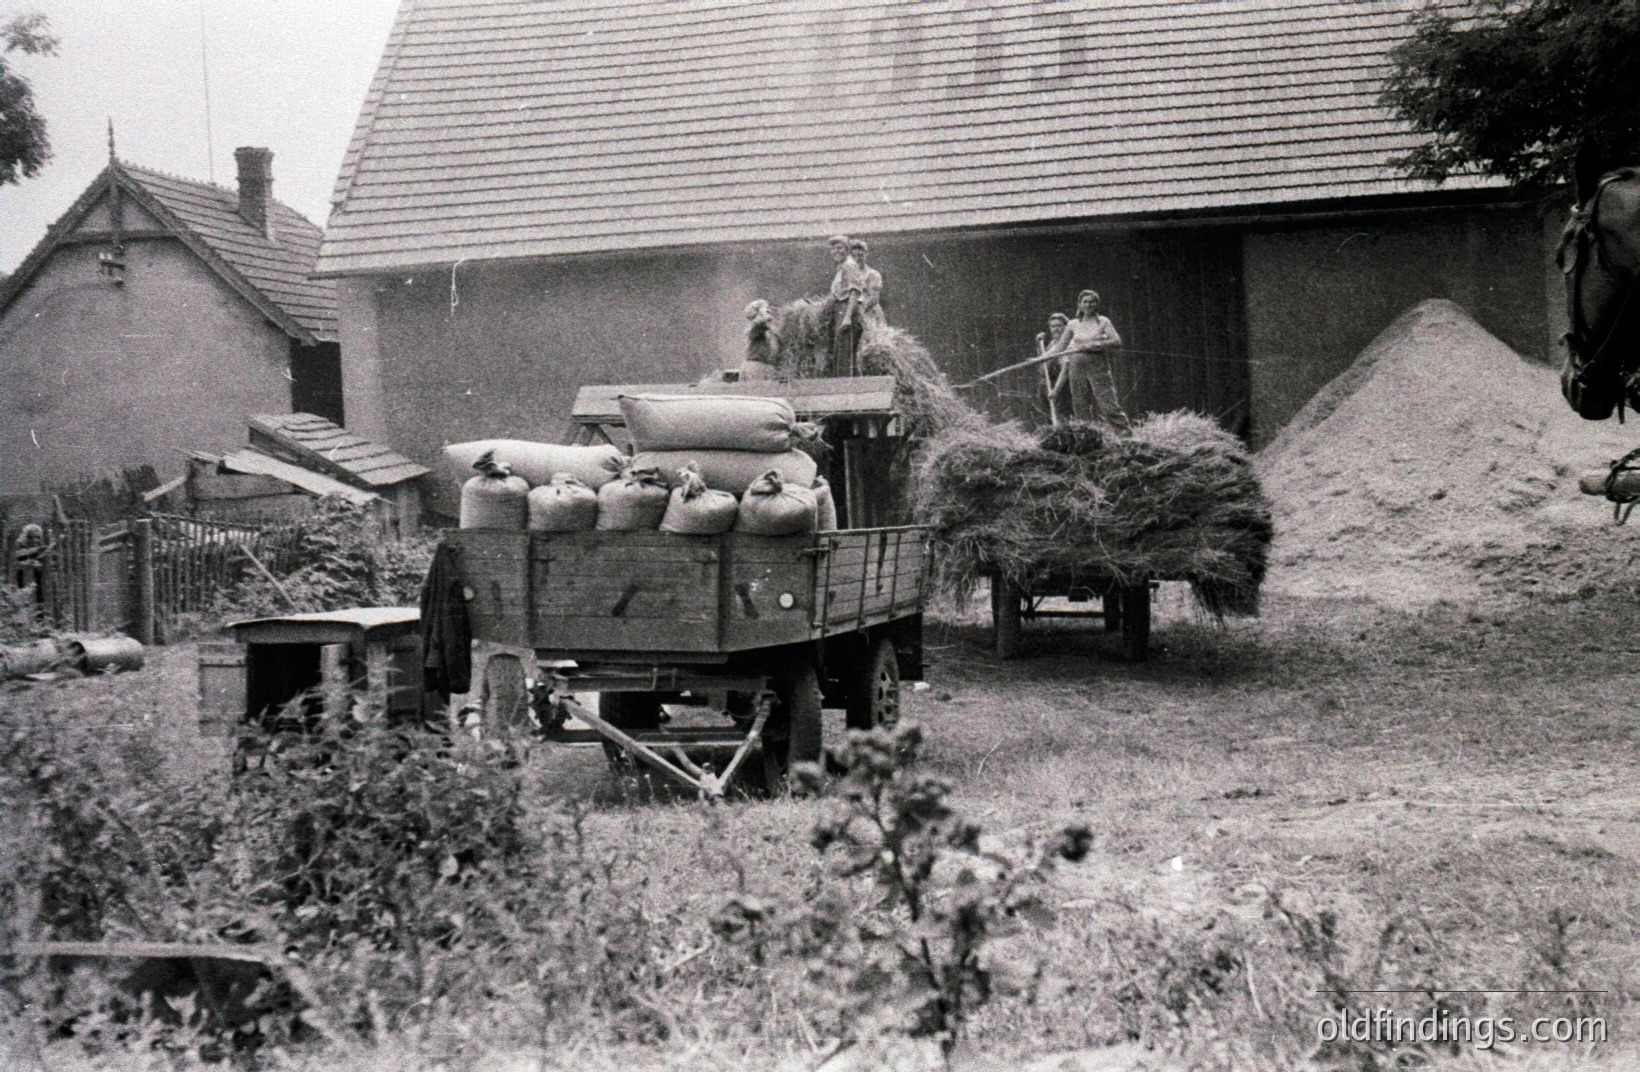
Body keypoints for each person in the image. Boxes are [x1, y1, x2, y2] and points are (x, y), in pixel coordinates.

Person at [1047, 289, 1128, 431]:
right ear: (1079, 304)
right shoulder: (1072, 324)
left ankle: (1124, 434)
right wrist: (1043, 357)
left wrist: (1095, 344)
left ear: (1097, 304)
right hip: (1076, 367)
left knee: (1107, 404)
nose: (1088, 305)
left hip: (1097, 365)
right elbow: (1060, 347)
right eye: (1085, 301)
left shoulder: (1103, 321)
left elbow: (1116, 341)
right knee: (1080, 405)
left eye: (1092, 302)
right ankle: (1086, 437)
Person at [828, 235, 867, 374]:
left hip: (848, 309)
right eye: (833, 249)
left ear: (847, 250)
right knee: (842, 352)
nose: (836, 251)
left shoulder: (849, 266)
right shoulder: (842, 267)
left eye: (839, 248)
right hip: (841, 309)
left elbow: (854, 293)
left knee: (845, 353)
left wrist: (847, 317)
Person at [1036, 312, 1071, 423]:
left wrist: (1055, 390)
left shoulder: (1068, 344)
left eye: (1059, 326)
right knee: (1048, 416)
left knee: (1062, 417)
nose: (1056, 329)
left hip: (1062, 386)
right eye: (1053, 326)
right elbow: (1042, 363)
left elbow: (1065, 370)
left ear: (1066, 327)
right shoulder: (1051, 344)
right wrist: (1038, 344)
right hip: (1047, 383)